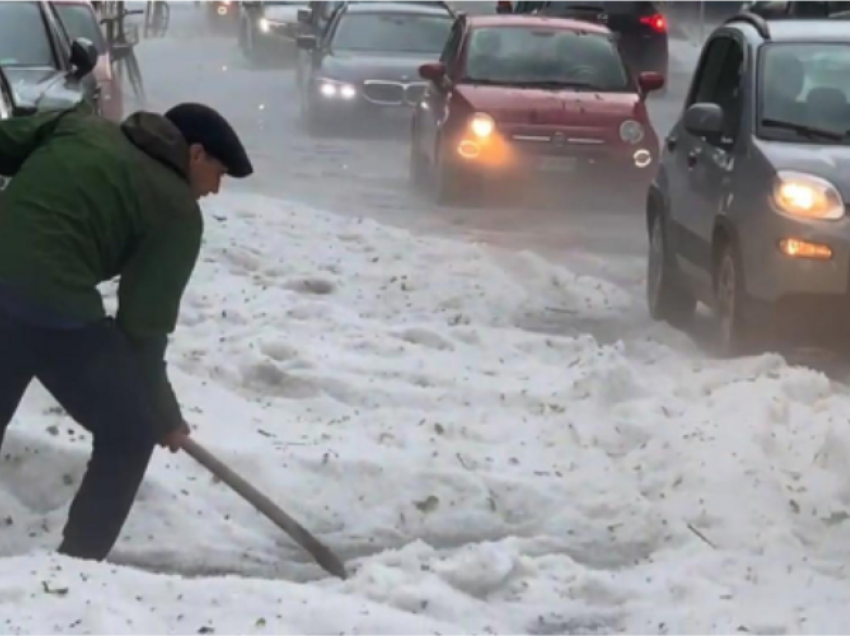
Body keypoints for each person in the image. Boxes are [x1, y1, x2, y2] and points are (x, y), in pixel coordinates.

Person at [0, 102, 253, 561]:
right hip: (52, 307)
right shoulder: (176, 211)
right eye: (219, 173)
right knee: (129, 432)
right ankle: (74, 568)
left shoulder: (77, 126)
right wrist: (163, 415)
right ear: (195, 154)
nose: (216, 190)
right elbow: (143, 329)